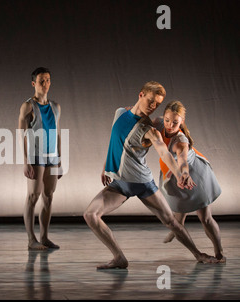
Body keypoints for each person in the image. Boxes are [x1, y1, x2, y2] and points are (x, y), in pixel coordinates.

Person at [83, 81, 220, 269]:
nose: (153, 106)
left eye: (157, 104)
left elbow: (164, 153)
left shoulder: (149, 130)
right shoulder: (120, 113)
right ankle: (119, 258)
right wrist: (106, 167)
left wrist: (180, 173)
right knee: (90, 215)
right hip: (120, 183)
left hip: (142, 183)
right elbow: (115, 141)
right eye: (151, 101)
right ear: (141, 95)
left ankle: (199, 254)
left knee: (171, 222)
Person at [153, 101, 225, 261]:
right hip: (173, 176)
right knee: (177, 220)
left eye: (175, 122)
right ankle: (177, 229)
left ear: (182, 122)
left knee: (205, 218)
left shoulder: (180, 141)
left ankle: (219, 251)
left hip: (196, 176)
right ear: (163, 117)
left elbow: (183, 161)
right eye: (167, 120)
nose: (170, 125)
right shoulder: (158, 123)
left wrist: (184, 174)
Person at [18, 67, 63, 250]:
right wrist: (26, 161)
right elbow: (21, 134)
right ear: (33, 84)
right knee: (32, 196)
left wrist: (59, 159)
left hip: (52, 157)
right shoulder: (28, 106)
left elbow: (58, 133)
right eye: (41, 81)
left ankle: (44, 237)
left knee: (49, 196)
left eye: (47, 80)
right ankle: (31, 240)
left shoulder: (56, 107)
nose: (45, 84)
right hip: (36, 156)